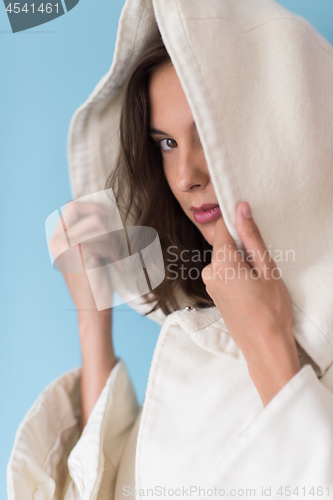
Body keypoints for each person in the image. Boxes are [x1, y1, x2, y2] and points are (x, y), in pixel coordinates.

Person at [7, 0, 333, 499]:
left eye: (207, 137)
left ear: (280, 132)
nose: (186, 177)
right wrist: (93, 319)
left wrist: (267, 341)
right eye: (166, 143)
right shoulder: (201, 329)